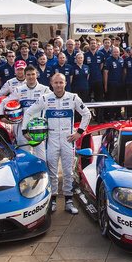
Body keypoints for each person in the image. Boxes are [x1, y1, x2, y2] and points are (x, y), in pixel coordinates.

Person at [24, 72, 91, 214]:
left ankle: (68, 201)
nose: (59, 85)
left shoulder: (73, 97)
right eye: (56, 83)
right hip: (51, 139)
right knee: (52, 172)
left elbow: (87, 114)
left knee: (68, 171)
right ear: (51, 84)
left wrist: (79, 132)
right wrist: (25, 130)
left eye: (61, 82)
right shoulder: (45, 99)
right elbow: (29, 112)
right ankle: (52, 200)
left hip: (68, 139)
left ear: (65, 83)